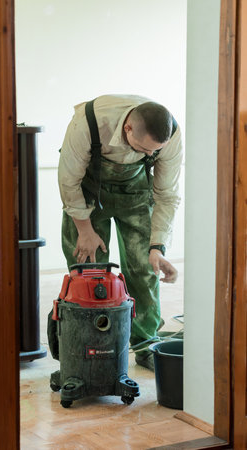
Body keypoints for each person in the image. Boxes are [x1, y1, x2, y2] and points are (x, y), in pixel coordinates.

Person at [58, 94, 183, 370]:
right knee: (89, 270)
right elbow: (68, 182)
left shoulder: (170, 135)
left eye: (154, 151)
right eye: (144, 149)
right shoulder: (87, 123)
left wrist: (157, 247)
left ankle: (145, 343)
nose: (150, 155)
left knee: (143, 268)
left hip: (137, 194)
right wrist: (85, 230)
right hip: (89, 192)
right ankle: (92, 345)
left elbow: (167, 194)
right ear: (128, 129)